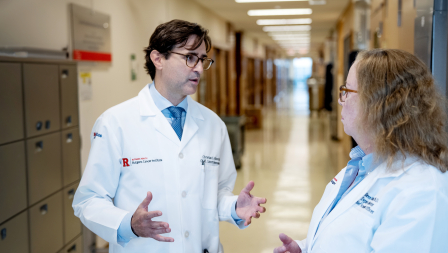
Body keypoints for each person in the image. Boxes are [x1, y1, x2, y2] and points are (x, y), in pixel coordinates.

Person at [73, 19, 267, 253]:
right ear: (158, 59)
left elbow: (214, 195)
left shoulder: (214, 125)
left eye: (202, 59)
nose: (198, 68)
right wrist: (129, 225)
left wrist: (233, 206)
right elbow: (88, 200)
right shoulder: (116, 123)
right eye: (189, 57)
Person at [274, 49, 448, 253]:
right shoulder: (362, 165)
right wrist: (305, 249)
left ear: (379, 104)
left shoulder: (421, 192)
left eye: (347, 91)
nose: (341, 100)